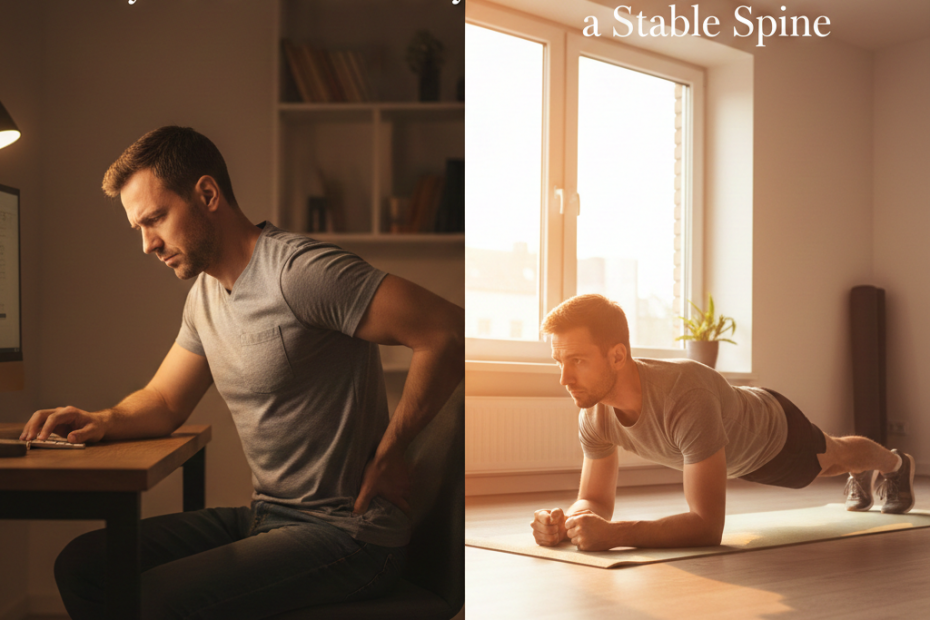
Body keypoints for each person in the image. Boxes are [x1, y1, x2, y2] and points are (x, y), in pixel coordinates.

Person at [19, 126, 464, 619]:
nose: (147, 244)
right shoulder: (204, 298)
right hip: (267, 516)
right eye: (139, 228)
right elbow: (165, 401)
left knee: (153, 601)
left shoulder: (300, 272)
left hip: (348, 533)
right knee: (83, 565)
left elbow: (445, 330)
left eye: (156, 219)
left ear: (207, 194)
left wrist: (393, 449)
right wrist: (101, 419)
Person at [530, 294, 915, 552]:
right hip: (735, 446)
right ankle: (863, 473)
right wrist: (567, 521)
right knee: (838, 461)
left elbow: (707, 527)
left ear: (617, 355)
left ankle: (895, 465)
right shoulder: (594, 413)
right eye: (558, 362)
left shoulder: (685, 395)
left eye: (576, 360)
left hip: (772, 433)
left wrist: (616, 535)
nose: (564, 378)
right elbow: (595, 500)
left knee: (836, 457)